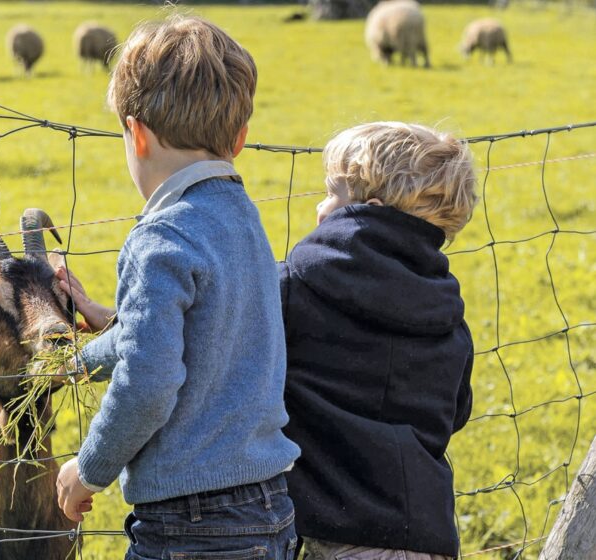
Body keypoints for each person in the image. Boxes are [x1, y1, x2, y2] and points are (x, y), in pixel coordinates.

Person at [54, 14, 301, 559]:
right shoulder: (241, 219)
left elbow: (150, 380)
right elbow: (169, 338)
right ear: (239, 139)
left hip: (191, 527)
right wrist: (77, 361)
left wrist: (87, 470)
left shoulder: (160, 236)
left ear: (136, 133)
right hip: (270, 507)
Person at [280, 122, 477, 560]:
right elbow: (456, 411)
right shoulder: (447, 314)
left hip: (334, 530)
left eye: (332, 193)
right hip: (425, 534)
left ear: (366, 210)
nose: (320, 206)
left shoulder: (293, 288)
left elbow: (224, 332)